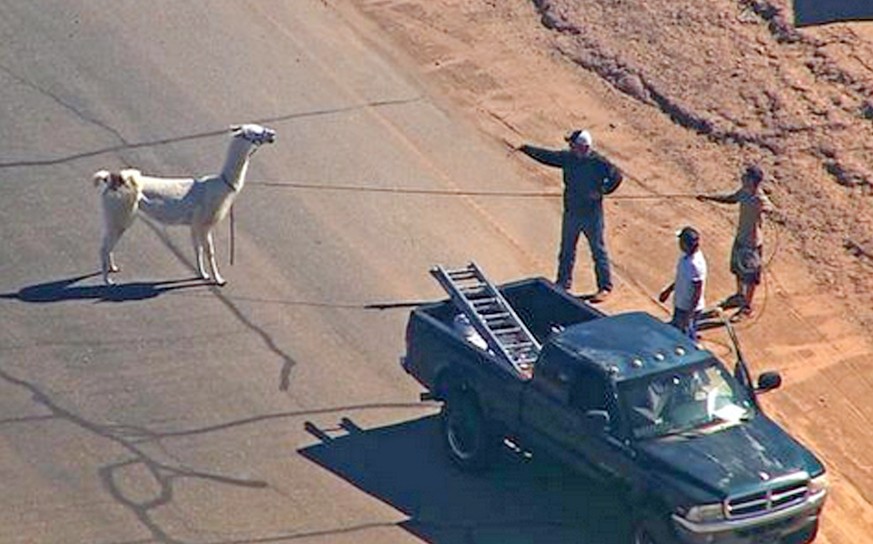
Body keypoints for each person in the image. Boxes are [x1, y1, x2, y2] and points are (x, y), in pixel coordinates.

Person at [518, 129, 623, 302]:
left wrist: (602, 191)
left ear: (582, 146)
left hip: (592, 215)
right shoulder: (569, 158)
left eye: (573, 144)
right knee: (567, 249)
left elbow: (617, 177)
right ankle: (562, 284)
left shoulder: (598, 162)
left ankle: (604, 287)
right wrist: (528, 149)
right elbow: (549, 157)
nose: (570, 147)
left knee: (598, 250)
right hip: (572, 212)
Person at [697, 165, 774, 319]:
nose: (742, 178)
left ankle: (747, 307)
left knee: (751, 276)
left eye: (746, 177)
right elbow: (731, 199)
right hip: (741, 238)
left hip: (752, 243)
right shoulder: (744, 192)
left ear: (752, 180)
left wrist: (765, 209)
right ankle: (739, 295)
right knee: (738, 269)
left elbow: (769, 207)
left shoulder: (759, 198)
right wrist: (708, 197)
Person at [659, 226, 707, 340]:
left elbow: (697, 291)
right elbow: (681, 279)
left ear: (685, 244)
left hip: (687, 309)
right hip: (680, 305)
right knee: (679, 333)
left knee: (685, 339)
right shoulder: (685, 257)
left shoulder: (695, 265)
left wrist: (689, 315)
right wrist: (668, 290)